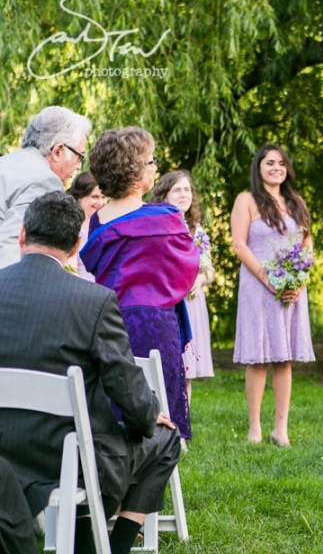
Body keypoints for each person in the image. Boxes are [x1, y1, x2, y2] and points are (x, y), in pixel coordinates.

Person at [0, 192, 181, 554]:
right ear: (75, 247)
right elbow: (128, 392)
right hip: (69, 461)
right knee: (164, 437)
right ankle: (115, 547)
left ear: (22, 235)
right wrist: (149, 415)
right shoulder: (94, 301)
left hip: (5, 454)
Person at [81, 127, 199, 446]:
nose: (155, 167)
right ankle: (160, 463)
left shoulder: (98, 220)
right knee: (161, 403)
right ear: (135, 175)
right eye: (151, 161)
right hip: (156, 322)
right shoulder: (166, 218)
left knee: (121, 397)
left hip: (110, 320)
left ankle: (118, 463)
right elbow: (187, 269)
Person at [231, 144, 315, 447]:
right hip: (258, 286)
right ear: (259, 167)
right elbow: (239, 245)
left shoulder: (296, 202)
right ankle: (255, 428)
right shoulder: (246, 200)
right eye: (269, 163)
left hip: (290, 290)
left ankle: (281, 429)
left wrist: (298, 282)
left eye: (281, 163)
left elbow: (307, 246)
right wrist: (268, 280)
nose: (276, 168)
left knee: (284, 358)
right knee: (258, 358)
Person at [150, 171, 215, 403]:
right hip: (169, 300)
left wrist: (199, 279)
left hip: (193, 303)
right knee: (169, 364)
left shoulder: (197, 231)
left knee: (187, 369)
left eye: (187, 190)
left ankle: (183, 420)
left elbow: (210, 271)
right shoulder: (158, 226)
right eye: (177, 190)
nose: (183, 194)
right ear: (164, 195)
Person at [0, 105, 91, 269]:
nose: (79, 166)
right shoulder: (44, 180)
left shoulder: (7, 163)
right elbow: (11, 247)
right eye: (79, 156)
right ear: (58, 151)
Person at [67, 171, 105, 281]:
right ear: (80, 197)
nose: (100, 202)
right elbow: (71, 272)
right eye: (94, 197)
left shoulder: (106, 226)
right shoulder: (71, 228)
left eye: (103, 197)